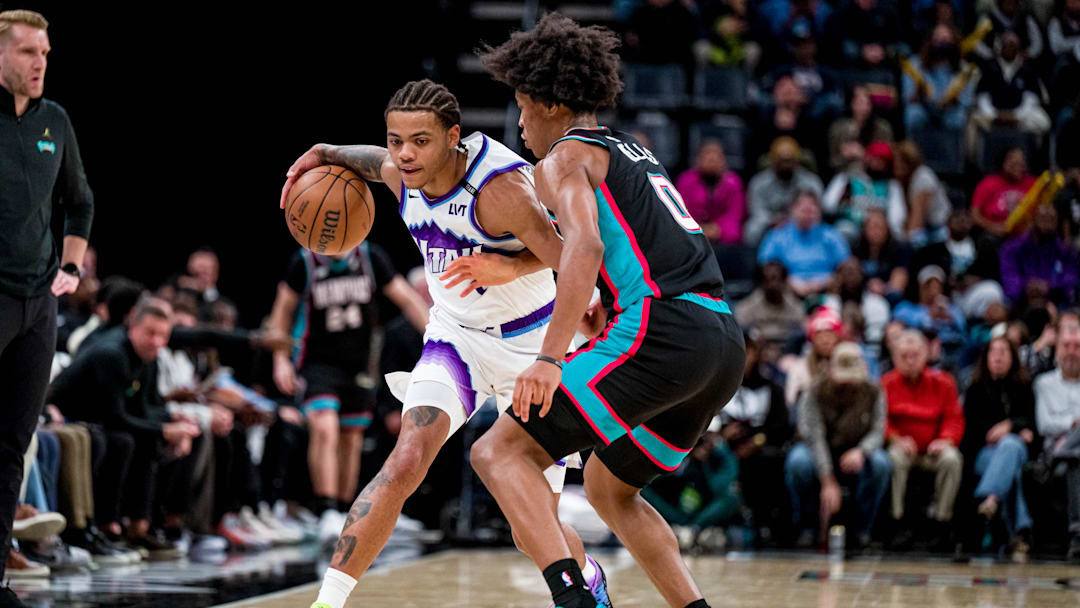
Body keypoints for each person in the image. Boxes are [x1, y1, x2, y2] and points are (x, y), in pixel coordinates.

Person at [279, 79, 609, 608]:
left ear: (453, 137)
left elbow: (574, 255)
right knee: (405, 459)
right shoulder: (396, 171)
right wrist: (320, 153)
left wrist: (509, 265)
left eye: (420, 141)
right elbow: (363, 160)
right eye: (396, 140)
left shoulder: (500, 192)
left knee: (533, 532)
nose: (405, 154)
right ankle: (328, 603)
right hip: (457, 337)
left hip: (531, 344)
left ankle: (587, 575)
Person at [472, 13, 745, 608]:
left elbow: (587, 246)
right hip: (720, 342)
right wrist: (597, 301)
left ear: (546, 100)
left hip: (664, 329)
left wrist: (549, 357)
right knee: (609, 487)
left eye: (521, 105)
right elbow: (626, 248)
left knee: (497, 450)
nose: (518, 123)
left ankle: (579, 600)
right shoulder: (632, 151)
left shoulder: (564, 159)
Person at [0, 11, 93, 606]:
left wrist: (71, 268)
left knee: (11, 444)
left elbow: (79, 202)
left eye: (46, 52)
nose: (41, 62)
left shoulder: (54, 120)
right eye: (29, 51)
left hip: (38, 304)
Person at [268, 244, 429, 543]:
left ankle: (343, 510)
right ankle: (326, 508)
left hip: (358, 364)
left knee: (351, 439)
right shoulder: (304, 261)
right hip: (316, 362)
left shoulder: (371, 257)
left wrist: (436, 340)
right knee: (325, 427)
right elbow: (282, 312)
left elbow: (408, 299)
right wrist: (280, 360)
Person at [785, 342, 890, 549]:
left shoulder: (875, 391)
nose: (848, 382)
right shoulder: (814, 391)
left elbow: (878, 431)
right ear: (831, 369)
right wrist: (827, 479)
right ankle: (806, 528)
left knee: (880, 463)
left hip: (856, 450)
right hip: (819, 449)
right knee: (798, 461)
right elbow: (814, 436)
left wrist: (862, 451)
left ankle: (862, 530)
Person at [882, 330, 965, 549]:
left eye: (915, 355)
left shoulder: (944, 382)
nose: (910, 361)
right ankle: (896, 522)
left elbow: (954, 418)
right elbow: (880, 421)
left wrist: (945, 440)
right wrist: (895, 438)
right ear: (894, 358)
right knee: (894, 460)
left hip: (933, 449)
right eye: (904, 356)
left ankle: (941, 522)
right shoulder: (886, 384)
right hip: (902, 449)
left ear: (926, 355)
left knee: (952, 459)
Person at [960, 336, 1035, 560]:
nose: (998, 356)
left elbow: (1033, 425)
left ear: (1013, 357)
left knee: (1010, 446)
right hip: (985, 453)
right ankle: (1019, 534)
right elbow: (972, 428)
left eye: (1004, 352)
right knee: (1011, 470)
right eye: (994, 352)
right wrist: (1010, 431)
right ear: (986, 358)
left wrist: (1010, 426)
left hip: (1017, 450)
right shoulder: (975, 389)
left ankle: (990, 497)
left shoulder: (1024, 387)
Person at [1033, 310, 1080, 561]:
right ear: (1058, 349)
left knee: (1077, 460)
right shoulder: (1044, 383)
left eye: (1078, 346)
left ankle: (1077, 533)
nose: (1072, 351)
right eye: (1067, 346)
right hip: (1052, 452)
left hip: (1068, 455)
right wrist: (1073, 423)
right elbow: (1044, 425)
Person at [758, 190, 851, 297]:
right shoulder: (777, 236)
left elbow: (845, 266)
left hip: (828, 290)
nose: (807, 215)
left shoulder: (831, 235)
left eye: (811, 211)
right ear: (793, 210)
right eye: (804, 210)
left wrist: (822, 283)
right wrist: (790, 282)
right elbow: (765, 266)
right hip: (786, 291)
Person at [744, 136, 823, 246]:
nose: (785, 165)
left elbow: (816, 210)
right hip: (769, 223)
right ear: (772, 161)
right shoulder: (759, 182)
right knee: (752, 229)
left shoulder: (811, 182)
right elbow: (757, 210)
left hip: (801, 222)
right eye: (781, 161)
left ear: (797, 161)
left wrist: (793, 221)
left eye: (789, 161)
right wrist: (772, 221)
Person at [999, 204, 1080, 308]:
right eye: (1043, 217)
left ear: (1057, 222)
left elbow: (1070, 278)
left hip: (1056, 303)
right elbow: (1009, 276)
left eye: (1051, 219)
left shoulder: (1065, 251)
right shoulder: (1013, 248)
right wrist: (1025, 286)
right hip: (1021, 302)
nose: (1047, 223)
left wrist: (1049, 286)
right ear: (1034, 220)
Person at [675, 140, 745, 247]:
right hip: (693, 231)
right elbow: (680, 212)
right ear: (698, 160)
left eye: (717, 155)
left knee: (734, 233)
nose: (712, 159)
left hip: (722, 234)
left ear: (724, 161)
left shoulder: (733, 183)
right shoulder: (686, 180)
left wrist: (718, 229)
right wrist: (700, 228)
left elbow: (734, 214)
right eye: (707, 154)